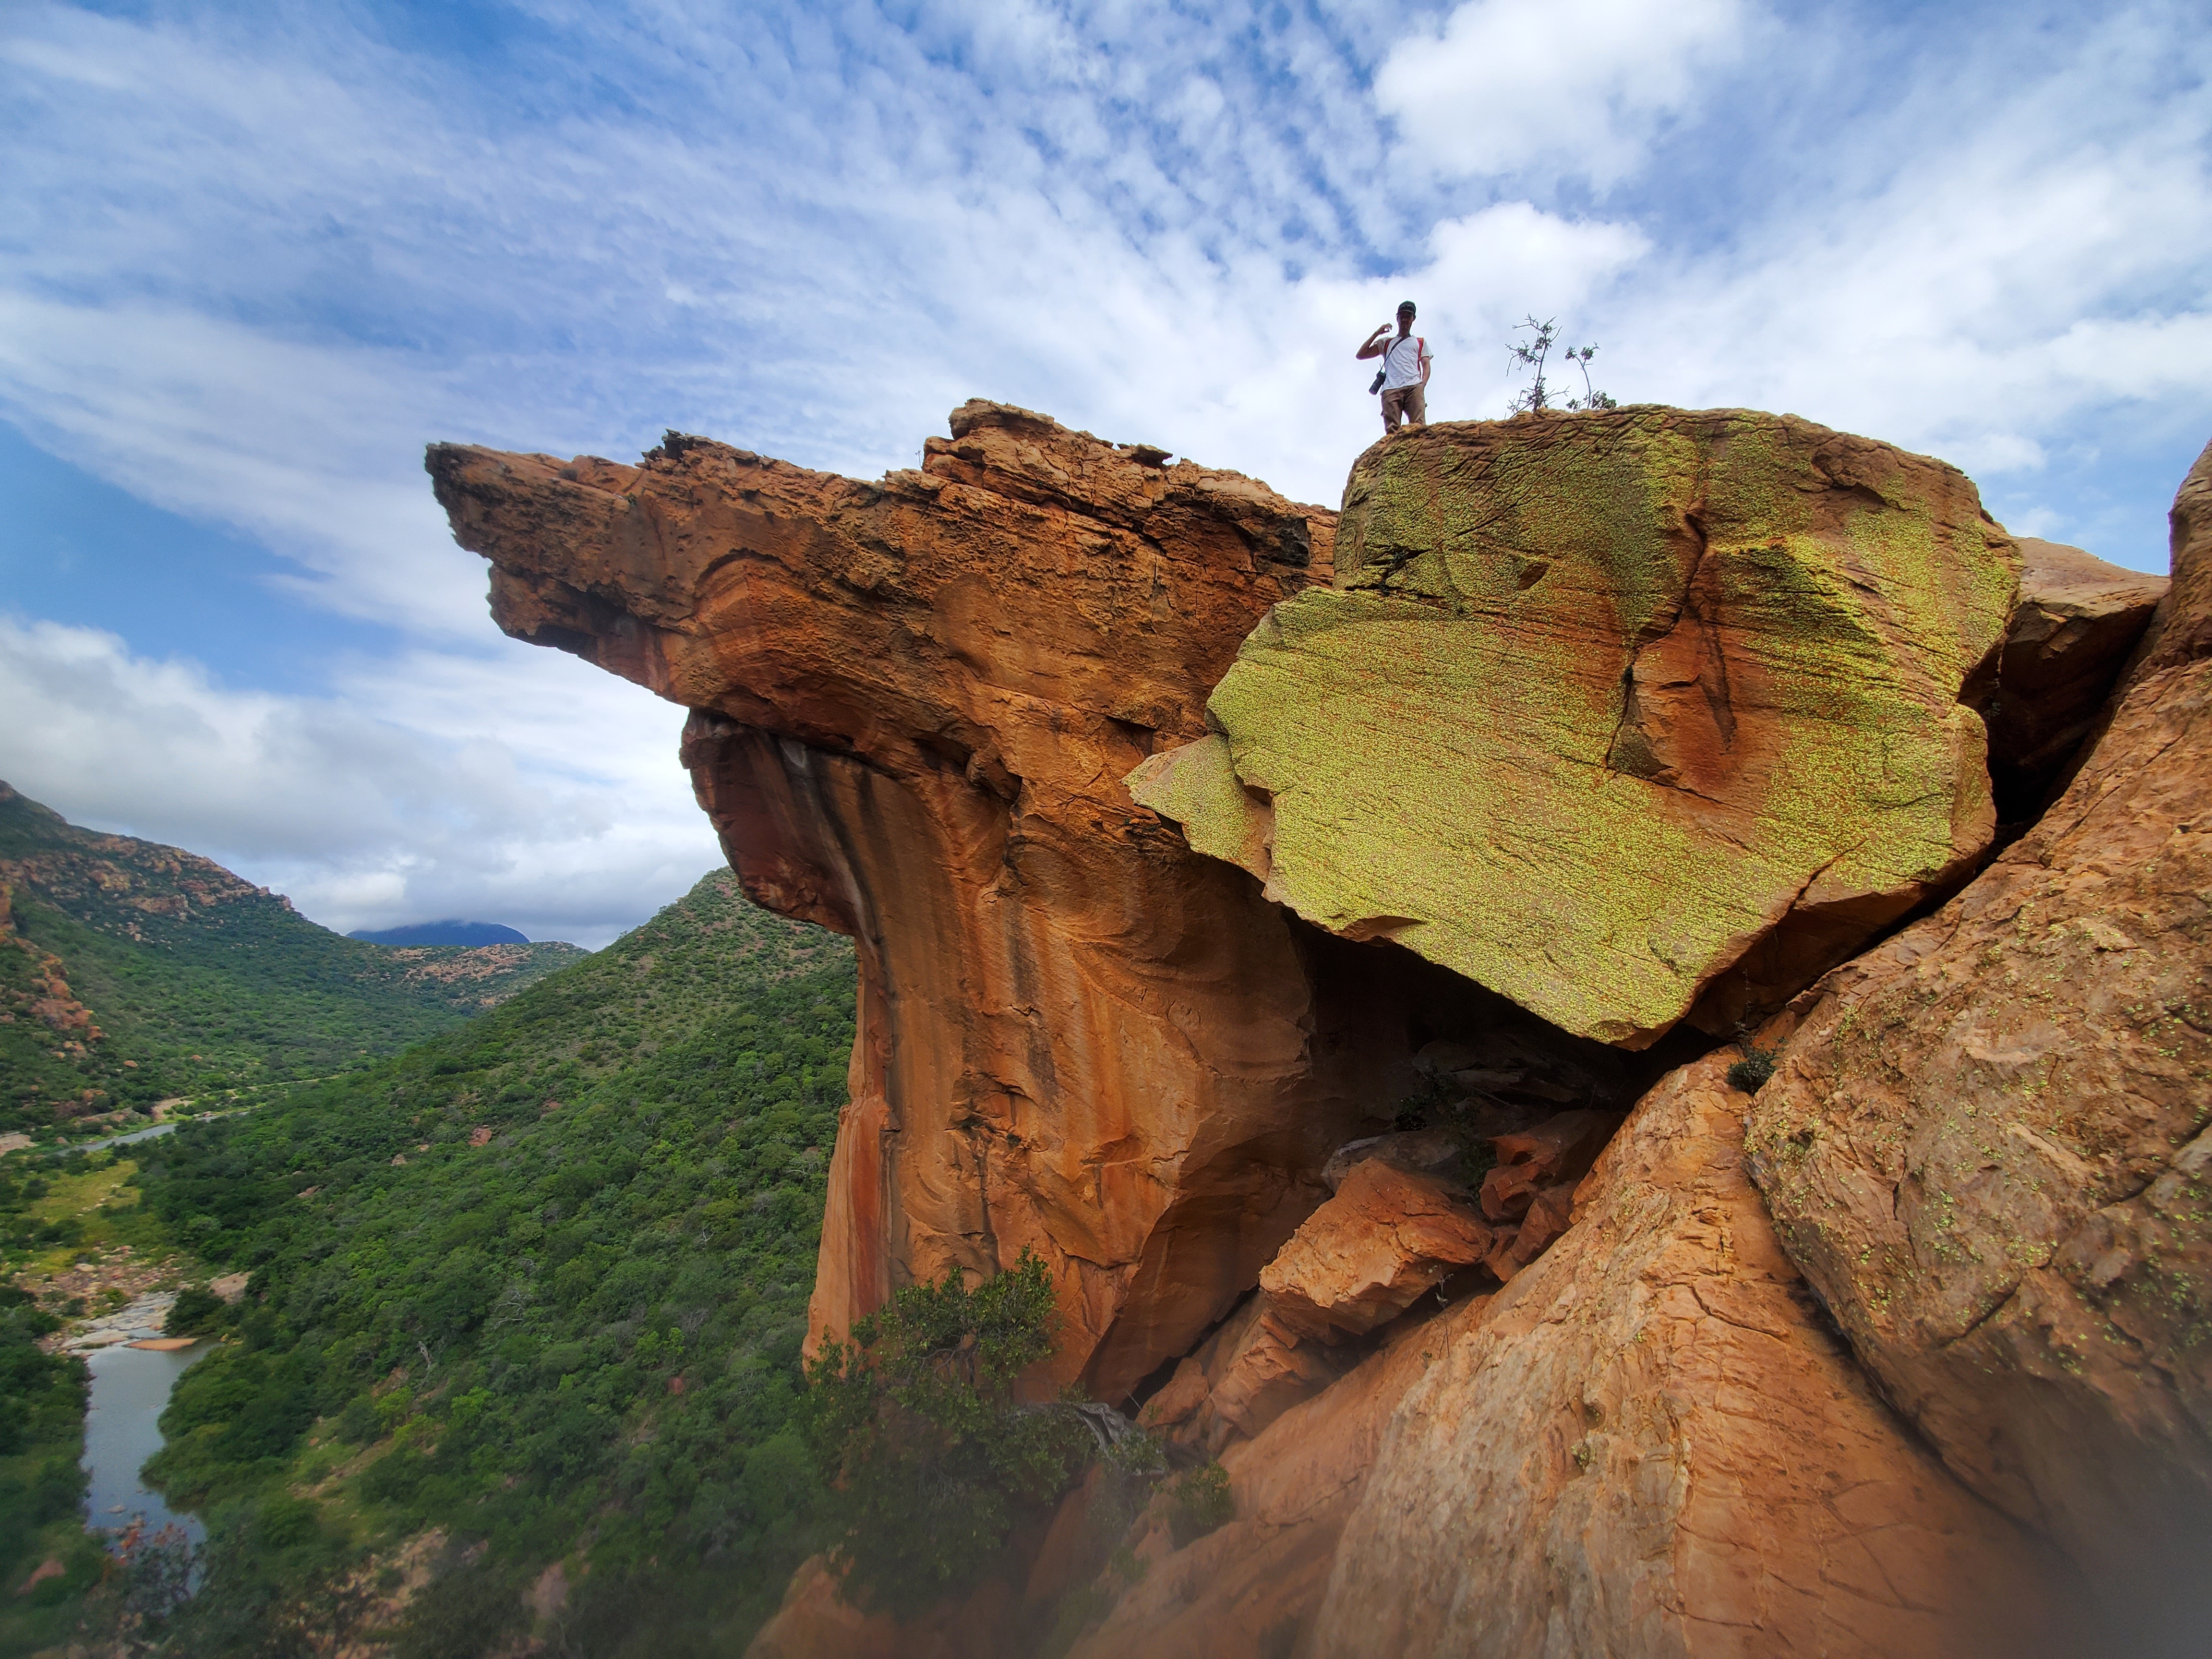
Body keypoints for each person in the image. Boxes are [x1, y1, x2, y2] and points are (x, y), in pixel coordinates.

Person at [1358, 301, 1432, 432]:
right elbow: (1361, 355)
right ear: (1397, 318)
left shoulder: (1420, 342)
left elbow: (1426, 365)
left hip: (1414, 386)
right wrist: (1377, 333)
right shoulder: (1386, 343)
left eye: (1408, 317)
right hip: (1391, 388)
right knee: (1392, 431)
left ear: (1413, 319)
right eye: (1402, 316)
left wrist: (1422, 386)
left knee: (1419, 428)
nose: (1405, 320)